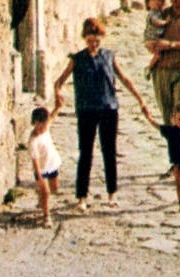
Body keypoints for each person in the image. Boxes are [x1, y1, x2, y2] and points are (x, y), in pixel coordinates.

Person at [53, 18, 150, 210]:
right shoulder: (77, 59)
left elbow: (124, 78)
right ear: (85, 38)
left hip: (108, 109)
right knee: (85, 153)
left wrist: (140, 99)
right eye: (90, 39)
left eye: (97, 39)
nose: (93, 43)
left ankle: (111, 194)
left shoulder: (109, 56)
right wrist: (58, 94)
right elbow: (59, 82)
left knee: (109, 152)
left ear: (101, 38)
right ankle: (82, 197)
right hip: (86, 110)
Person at [28, 104, 62, 227]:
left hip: (52, 164)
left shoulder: (46, 128)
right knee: (46, 192)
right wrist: (39, 177)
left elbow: (52, 116)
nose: (41, 129)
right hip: (41, 169)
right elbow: (35, 160)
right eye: (38, 126)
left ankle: (41, 198)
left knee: (54, 188)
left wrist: (58, 107)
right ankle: (46, 216)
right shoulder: (33, 141)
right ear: (33, 123)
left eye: (43, 125)